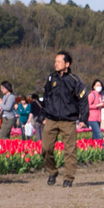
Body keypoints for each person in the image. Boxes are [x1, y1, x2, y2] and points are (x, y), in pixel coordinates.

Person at [39, 50, 87, 187]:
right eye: (55, 61)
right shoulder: (51, 79)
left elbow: (83, 100)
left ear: (67, 64)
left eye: (59, 61)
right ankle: (52, 171)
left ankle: (69, 178)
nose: (56, 64)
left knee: (70, 150)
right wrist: (42, 115)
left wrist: (83, 118)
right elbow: (46, 98)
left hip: (68, 119)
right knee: (46, 148)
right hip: (52, 118)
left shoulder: (75, 80)